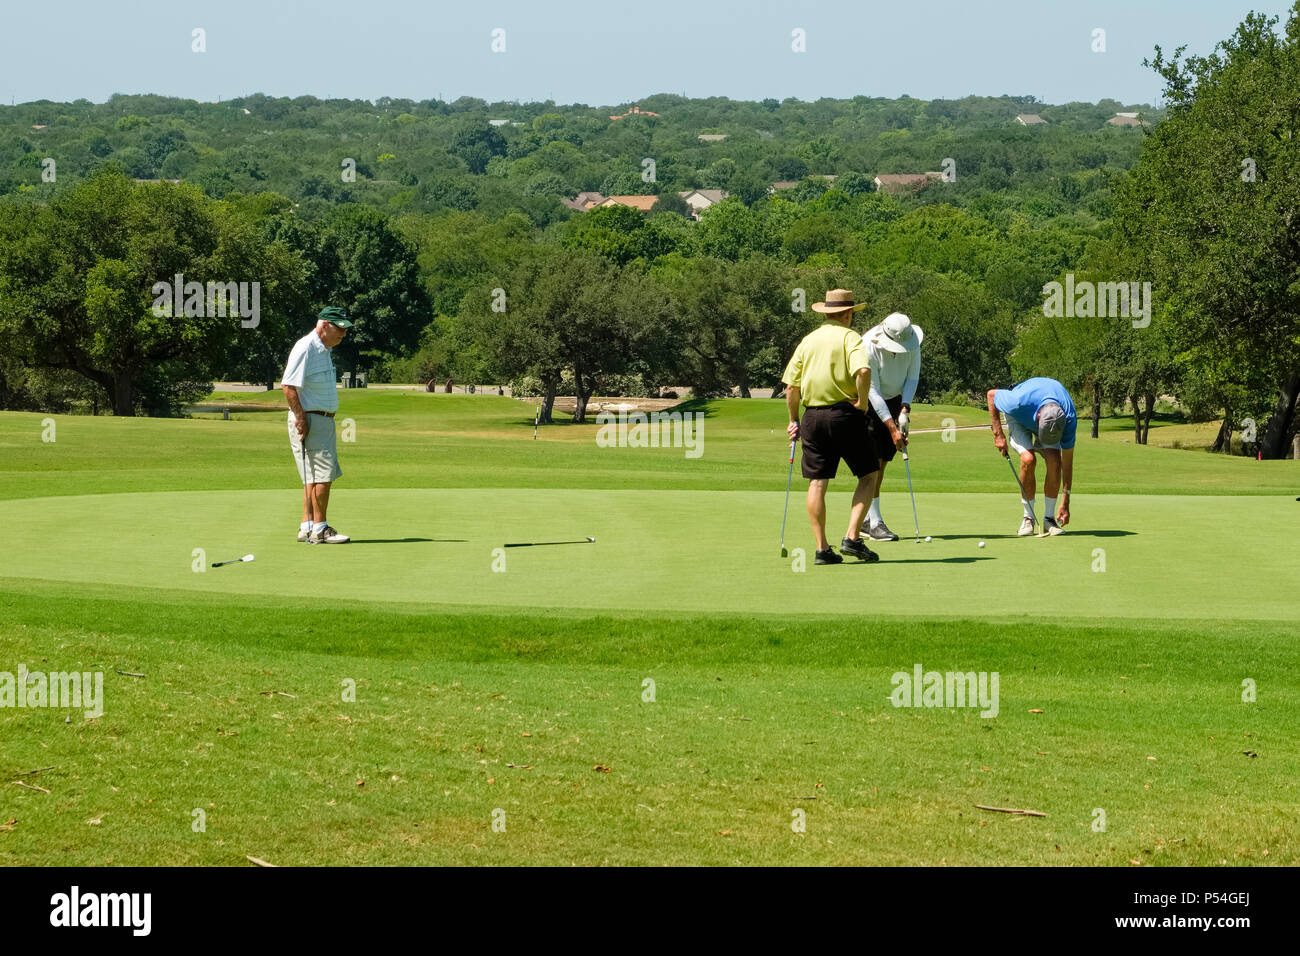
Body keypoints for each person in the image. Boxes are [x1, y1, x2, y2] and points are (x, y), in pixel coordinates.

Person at [782, 289, 880, 565]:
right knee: (869, 475)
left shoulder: (808, 340)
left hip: (812, 417)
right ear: (848, 313)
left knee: (817, 482)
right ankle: (851, 538)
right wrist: (861, 402)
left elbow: (791, 387)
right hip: (845, 415)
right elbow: (863, 371)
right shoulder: (850, 337)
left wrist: (794, 421)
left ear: (825, 312)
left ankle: (822, 549)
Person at [282, 306, 353, 544]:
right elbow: (288, 387)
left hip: (318, 418)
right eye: (339, 330)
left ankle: (307, 526)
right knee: (323, 475)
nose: (342, 335)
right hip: (311, 418)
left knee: (312, 476)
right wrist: (301, 418)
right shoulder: (306, 347)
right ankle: (321, 528)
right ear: (323, 325)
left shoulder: (324, 349)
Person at [859, 312, 923, 542]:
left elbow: (912, 378)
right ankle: (874, 522)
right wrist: (892, 427)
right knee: (873, 462)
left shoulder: (913, 342)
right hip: (868, 399)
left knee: (884, 460)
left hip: (895, 398)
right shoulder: (868, 345)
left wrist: (905, 409)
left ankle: (868, 520)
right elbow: (872, 390)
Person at [986, 377, 1077, 536]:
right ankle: (1028, 518)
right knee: (1028, 459)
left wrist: (1066, 501)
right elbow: (991, 395)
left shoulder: (1068, 418)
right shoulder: (1017, 401)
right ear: (1040, 418)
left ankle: (1049, 519)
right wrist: (998, 434)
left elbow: (1067, 463)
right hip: (1018, 416)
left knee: (1055, 460)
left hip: (1047, 413)